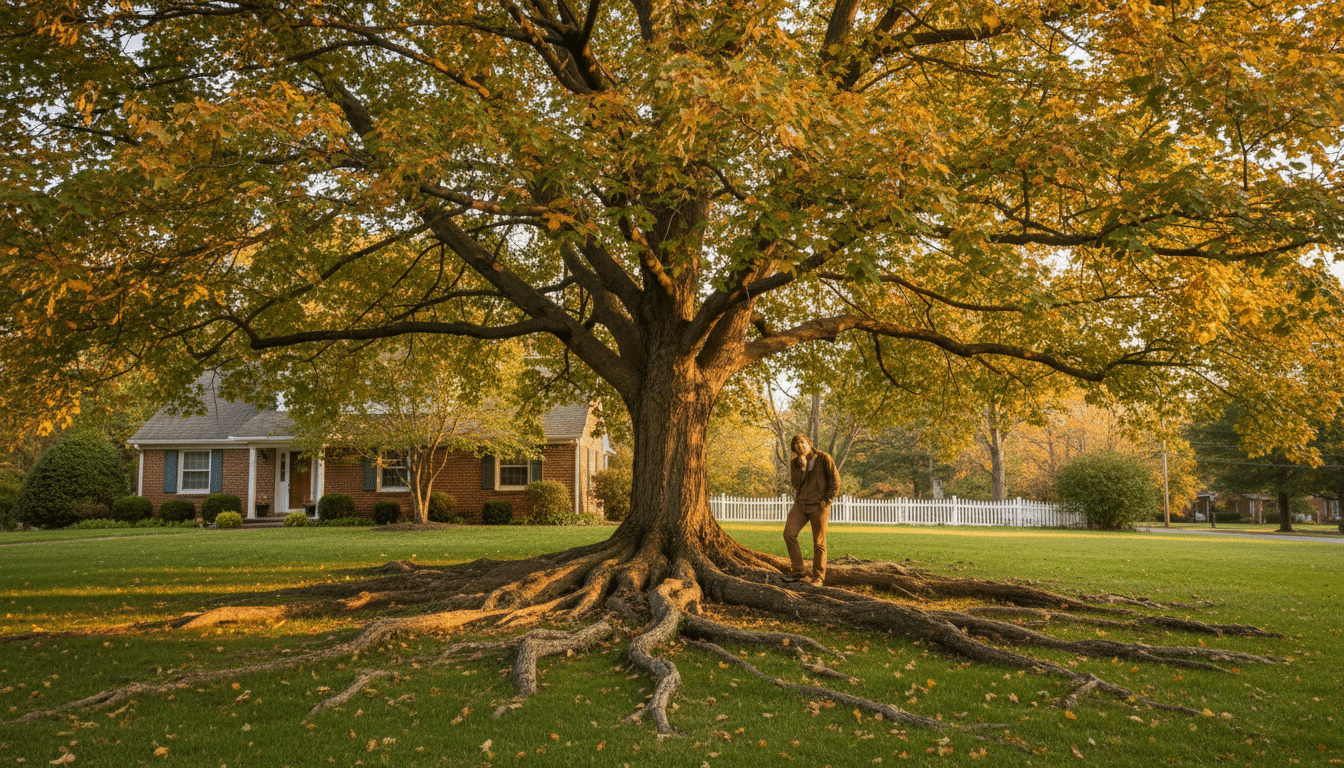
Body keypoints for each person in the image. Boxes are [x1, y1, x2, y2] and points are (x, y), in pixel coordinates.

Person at [783, 434, 840, 586]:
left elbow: (835, 480)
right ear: (794, 449)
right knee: (789, 534)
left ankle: (818, 578)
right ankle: (798, 570)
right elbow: (795, 485)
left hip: (819, 506)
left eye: (802, 442)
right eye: (796, 445)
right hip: (801, 504)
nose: (800, 445)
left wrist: (827, 501)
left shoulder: (824, 458)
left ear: (808, 443)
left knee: (819, 542)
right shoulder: (795, 462)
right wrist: (802, 467)